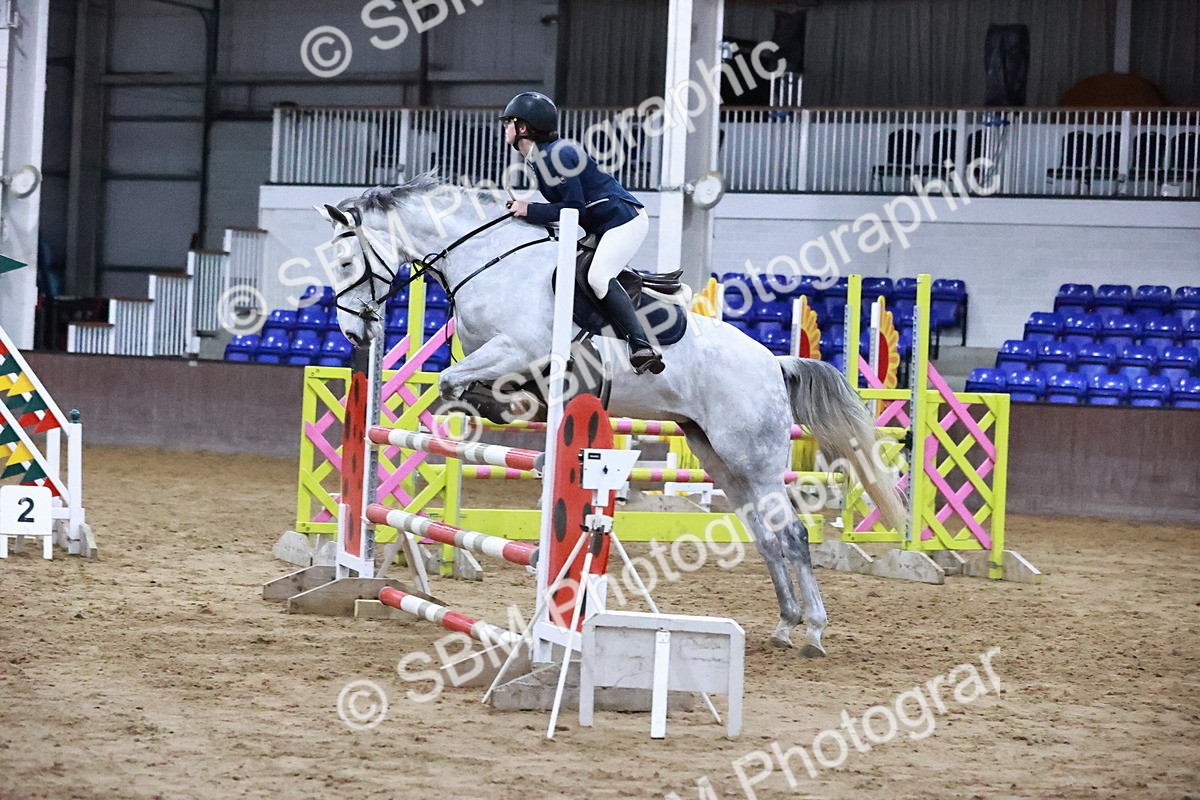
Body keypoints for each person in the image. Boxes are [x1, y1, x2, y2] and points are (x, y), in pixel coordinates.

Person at [499, 91, 665, 375]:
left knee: (598, 277)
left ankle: (642, 345)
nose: (505, 128)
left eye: (508, 123)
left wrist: (531, 210)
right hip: (601, 225)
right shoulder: (540, 158)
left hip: (623, 220)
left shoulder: (559, 154)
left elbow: (574, 208)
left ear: (522, 127)